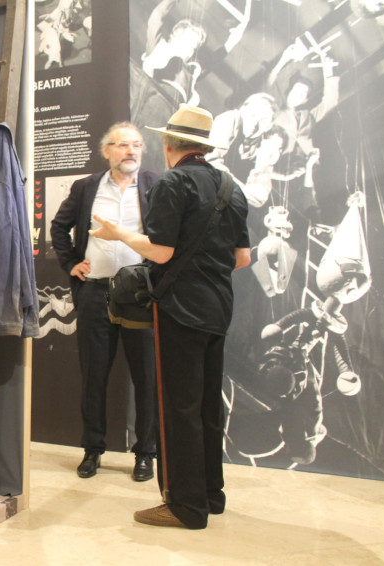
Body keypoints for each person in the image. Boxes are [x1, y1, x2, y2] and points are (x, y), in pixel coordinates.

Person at [90, 105, 251, 529]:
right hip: (218, 307)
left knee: (179, 408)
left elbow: (160, 252)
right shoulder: (231, 186)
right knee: (207, 406)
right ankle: (210, 495)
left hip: (180, 309)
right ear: (203, 145)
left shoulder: (173, 182)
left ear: (167, 143)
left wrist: (119, 234)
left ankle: (184, 506)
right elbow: (242, 258)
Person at [50, 122, 160, 482]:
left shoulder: (156, 185)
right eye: (123, 145)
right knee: (93, 376)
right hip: (96, 292)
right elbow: (58, 227)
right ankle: (92, 449)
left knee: (146, 377)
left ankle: (146, 453)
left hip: (141, 296)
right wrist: (71, 262)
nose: (131, 151)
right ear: (107, 151)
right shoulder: (86, 187)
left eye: (136, 145)